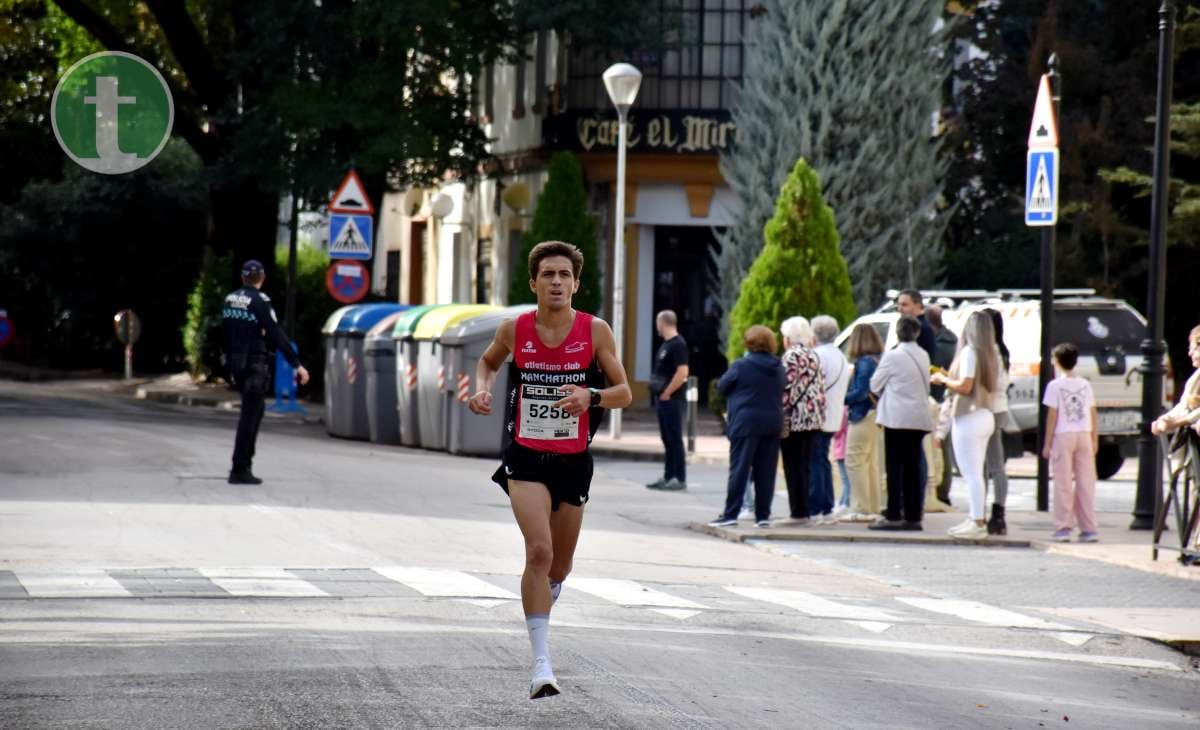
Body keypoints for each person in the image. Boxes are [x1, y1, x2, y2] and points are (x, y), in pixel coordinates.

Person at [467, 240, 632, 699]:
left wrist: (590, 396)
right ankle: (542, 663)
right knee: (538, 552)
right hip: (524, 456)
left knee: (560, 564)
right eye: (548, 275)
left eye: (564, 275)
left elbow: (624, 392)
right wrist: (482, 389)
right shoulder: (514, 329)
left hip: (573, 460)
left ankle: (547, 592)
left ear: (576, 284)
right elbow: (487, 362)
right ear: (534, 282)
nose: (556, 282)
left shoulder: (595, 331)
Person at [221, 259, 309, 485]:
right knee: (250, 417)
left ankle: (244, 465)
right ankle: (240, 468)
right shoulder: (260, 301)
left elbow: (226, 332)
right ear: (262, 278)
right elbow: (275, 333)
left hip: (236, 364)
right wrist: (296, 364)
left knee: (254, 412)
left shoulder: (230, 299)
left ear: (242, 277)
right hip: (254, 363)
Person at [708, 325, 786, 528]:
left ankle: (731, 514)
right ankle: (762, 517)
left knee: (740, 469)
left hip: (746, 423)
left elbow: (723, 386)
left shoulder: (741, 365)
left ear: (749, 343)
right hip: (772, 423)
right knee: (766, 471)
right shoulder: (779, 366)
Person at [932, 311, 1000, 540]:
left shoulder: (970, 352)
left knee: (971, 474)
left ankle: (977, 521)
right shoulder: (991, 354)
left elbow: (965, 385)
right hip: (985, 415)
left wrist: (943, 380)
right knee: (976, 472)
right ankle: (975, 518)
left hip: (969, 416)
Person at [868, 315, 933, 531]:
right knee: (913, 467)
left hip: (897, 418)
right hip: (919, 417)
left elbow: (875, 383)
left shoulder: (893, 355)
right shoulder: (923, 354)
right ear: (917, 333)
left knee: (894, 467)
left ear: (898, 333)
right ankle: (913, 515)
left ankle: (894, 513)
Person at [1041, 343, 1099, 543]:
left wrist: (1047, 443)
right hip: (1084, 433)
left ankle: (1063, 526)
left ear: (1057, 362)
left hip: (1063, 434)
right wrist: (1094, 439)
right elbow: (1092, 412)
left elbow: (1052, 415)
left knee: (1063, 482)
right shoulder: (1085, 384)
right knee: (1085, 482)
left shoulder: (1054, 386)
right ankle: (1088, 527)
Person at [778, 316, 826, 526]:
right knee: (805, 465)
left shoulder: (791, 356)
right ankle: (804, 510)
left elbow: (786, 389)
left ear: (788, 337)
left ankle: (797, 513)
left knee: (793, 465)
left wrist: (778, 409)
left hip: (795, 419)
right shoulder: (813, 355)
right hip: (813, 418)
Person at [842, 323, 884, 521]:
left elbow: (860, 392)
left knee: (855, 460)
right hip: (875, 414)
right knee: (870, 463)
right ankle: (872, 505)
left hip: (863, 414)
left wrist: (841, 398)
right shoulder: (877, 360)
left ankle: (860, 507)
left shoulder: (864, 362)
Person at [811, 315, 850, 524]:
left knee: (816, 461)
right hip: (834, 415)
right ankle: (826, 506)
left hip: (818, 414)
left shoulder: (817, 356)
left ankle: (817, 506)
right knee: (823, 461)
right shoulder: (840, 356)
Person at [646, 310, 689, 491]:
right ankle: (668, 475)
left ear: (662, 323)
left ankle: (679, 478)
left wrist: (668, 392)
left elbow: (683, 372)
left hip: (672, 399)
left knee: (674, 438)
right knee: (667, 438)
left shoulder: (678, 344)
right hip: (663, 399)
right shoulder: (666, 344)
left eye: (658, 323)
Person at [983, 308, 1013, 535]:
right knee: (992, 463)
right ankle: (996, 511)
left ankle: (993, 513)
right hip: (999, 408)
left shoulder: (989, 352)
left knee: (991, 464)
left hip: (989, 409)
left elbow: (991, 384)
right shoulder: (1002, 351)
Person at [927, 303, 958, 508]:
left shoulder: (935, 344)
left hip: (936, 398)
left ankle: (939, 489)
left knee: (937, 447)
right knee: (944, 448)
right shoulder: (953, 340)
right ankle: (944, 489)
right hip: (947, 399)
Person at [1152, 325, 1200, 438]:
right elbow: (1183, 406)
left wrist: (1177, 422)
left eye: (1192, 348)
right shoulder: (1195, 378)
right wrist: (1165, 419)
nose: (1189, 353)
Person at [895, 289, 937, 362]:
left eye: (904, 305)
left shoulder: (922, 328)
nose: (900, 309)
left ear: (918, 305)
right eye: (898, 305)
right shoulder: (919, 325)